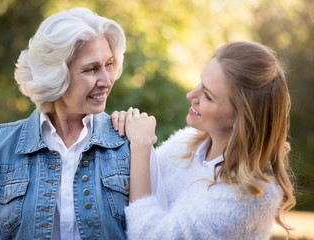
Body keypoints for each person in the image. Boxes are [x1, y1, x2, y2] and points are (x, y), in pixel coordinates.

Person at [0, 7, 131, 240]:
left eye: (109, 64)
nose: (107, 80)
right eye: (91, 69)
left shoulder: (132, 145)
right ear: (55, 74)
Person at [112, 41, 296, 239]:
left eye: (207, 95)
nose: (191, 95)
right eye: (200, 82)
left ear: (241, 118)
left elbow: (148, 236)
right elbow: (134, 184)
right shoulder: (186, 142)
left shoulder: (248, 196)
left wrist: (141, 146)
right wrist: (124, 130)